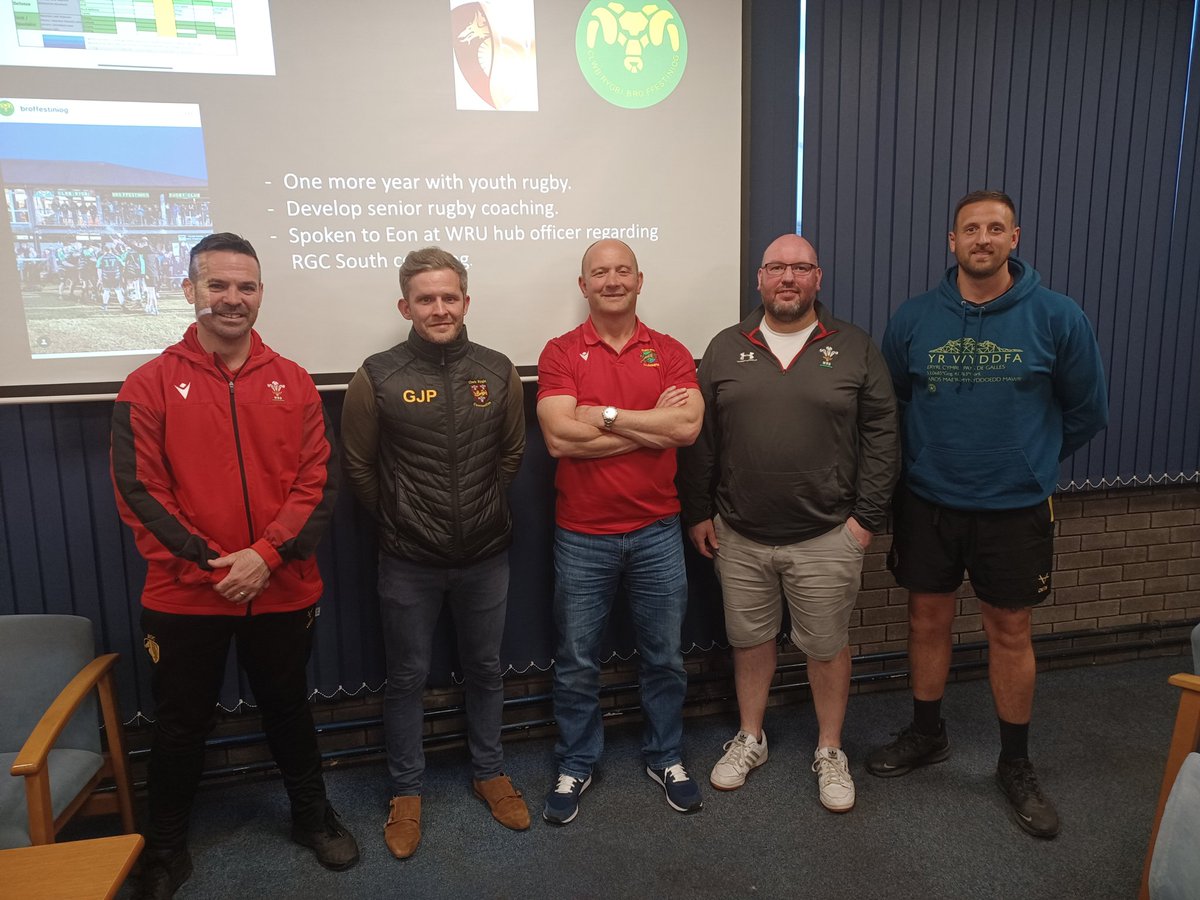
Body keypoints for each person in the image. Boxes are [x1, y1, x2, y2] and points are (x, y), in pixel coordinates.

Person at [110, 232, 359, 899]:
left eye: (245, 286)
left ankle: (312, 816)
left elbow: (318, 482)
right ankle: (165, 847)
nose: (232, 299)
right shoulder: (148, 385)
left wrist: (266, 556)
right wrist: (215, 565)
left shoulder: (295, 380)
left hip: (280, 590)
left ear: (260, 294)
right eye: (217, 285)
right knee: (180, 723)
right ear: (190, 291)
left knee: (288, 710)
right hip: (186, 595)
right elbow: (140, 494)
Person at [867, 191, 1108, 839]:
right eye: (970, 229)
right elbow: (891, 403)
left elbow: (1086, 411)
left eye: (994, 228)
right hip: (928, 503)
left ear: (1014, 238)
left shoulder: (1058, 317)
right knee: (926, 619)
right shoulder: (915, 318)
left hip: (1015, 508)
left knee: (1010, 631)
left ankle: (1016, 762)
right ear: (952, 241)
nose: (982, 238)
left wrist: (1030, 461)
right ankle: (926, 734)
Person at [677, 234, 898, 812]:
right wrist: (699, 511)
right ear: (760, 278)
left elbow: (883, 435)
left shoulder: (854, 347)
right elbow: (701, 441)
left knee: (825, 647)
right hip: (740, 535)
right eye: (777, 267)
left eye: (801, 268)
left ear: (818, 278)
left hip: (828, 535)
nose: (788, 278)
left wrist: (865, 522)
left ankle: (830, 749)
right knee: (749, 642)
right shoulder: (726, 348)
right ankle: (751, 737)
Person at [341, 247, 530, 859]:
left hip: (486, 556)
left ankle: (490, 771)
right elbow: (359, 468)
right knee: (406, 679)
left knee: (485, 669)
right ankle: (405, 791)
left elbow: (510, 458)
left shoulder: (498, 371)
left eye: (450, 297)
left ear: (466, 302)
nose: (439, 308)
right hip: (407, 561)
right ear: (406, 306)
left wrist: (474, 515)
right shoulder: (377, 375)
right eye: (426, 298)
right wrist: (404, 520)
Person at [536, 239, 704, 825]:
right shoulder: (560, 352)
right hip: (582, 535)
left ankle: (665, 755)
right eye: (599, 272)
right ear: (583, 286)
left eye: (622, 270)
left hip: (658, 530)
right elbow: (558, 437)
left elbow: (686, 429)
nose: (612, 280)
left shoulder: (672, 350)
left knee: (665, 657)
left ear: (640, 280)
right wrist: (648, 426)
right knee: (578, 661)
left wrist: (603, 415)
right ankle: (577, 762)